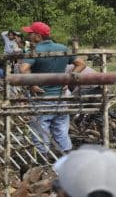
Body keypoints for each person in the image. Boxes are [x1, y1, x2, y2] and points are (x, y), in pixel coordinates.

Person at [18, 21, 86, 156]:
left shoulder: (35, 50)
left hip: (42, 98)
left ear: (38, 36)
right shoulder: (62, 47)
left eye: (30, 34)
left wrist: (32, 84)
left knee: (40, 133)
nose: (28, 36)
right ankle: (67, 161)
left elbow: (23, 68)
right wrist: (68, 78)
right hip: (61, 97)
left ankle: (42, 163)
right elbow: (81, 64)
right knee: (61, 131)